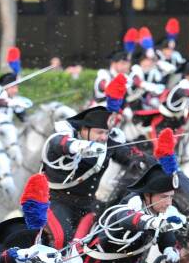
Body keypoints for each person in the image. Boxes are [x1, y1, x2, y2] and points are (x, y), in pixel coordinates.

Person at [82, 159, 185, 263]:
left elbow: (165, 233)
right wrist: (152, 222)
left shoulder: (158, 212)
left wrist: (168, 248)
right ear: (148, 195)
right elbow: (129, 218)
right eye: (164, 197)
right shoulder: (131, 203)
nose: (168, 203)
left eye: (171, 197)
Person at [42, 106, 137, 248]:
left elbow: (129, 155)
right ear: (84, 130)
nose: (104, 137)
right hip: (55, 201)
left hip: (87, 205)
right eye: (99, 132)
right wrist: (78, 146)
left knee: (103, 240)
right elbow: (58, 144)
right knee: (62, 240)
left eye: (107, 132)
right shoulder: (65, 138)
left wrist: (153, 160)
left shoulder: (107, 144)